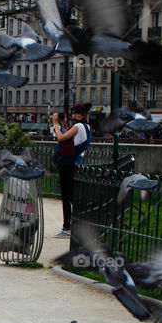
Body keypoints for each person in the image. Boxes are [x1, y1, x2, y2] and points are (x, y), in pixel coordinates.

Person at [52, 102, 93, 238]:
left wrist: (56, 124)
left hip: (68, 164)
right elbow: (72, 140)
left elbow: (61, 137)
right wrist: (64, 126)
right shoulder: (86, 127)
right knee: (73, 197)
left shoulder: (78, 126)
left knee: (66, 197)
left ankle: (67, 228)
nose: (73, 115)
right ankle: (78, 226)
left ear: (82, 114)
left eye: (75, 113)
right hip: (75, 163)